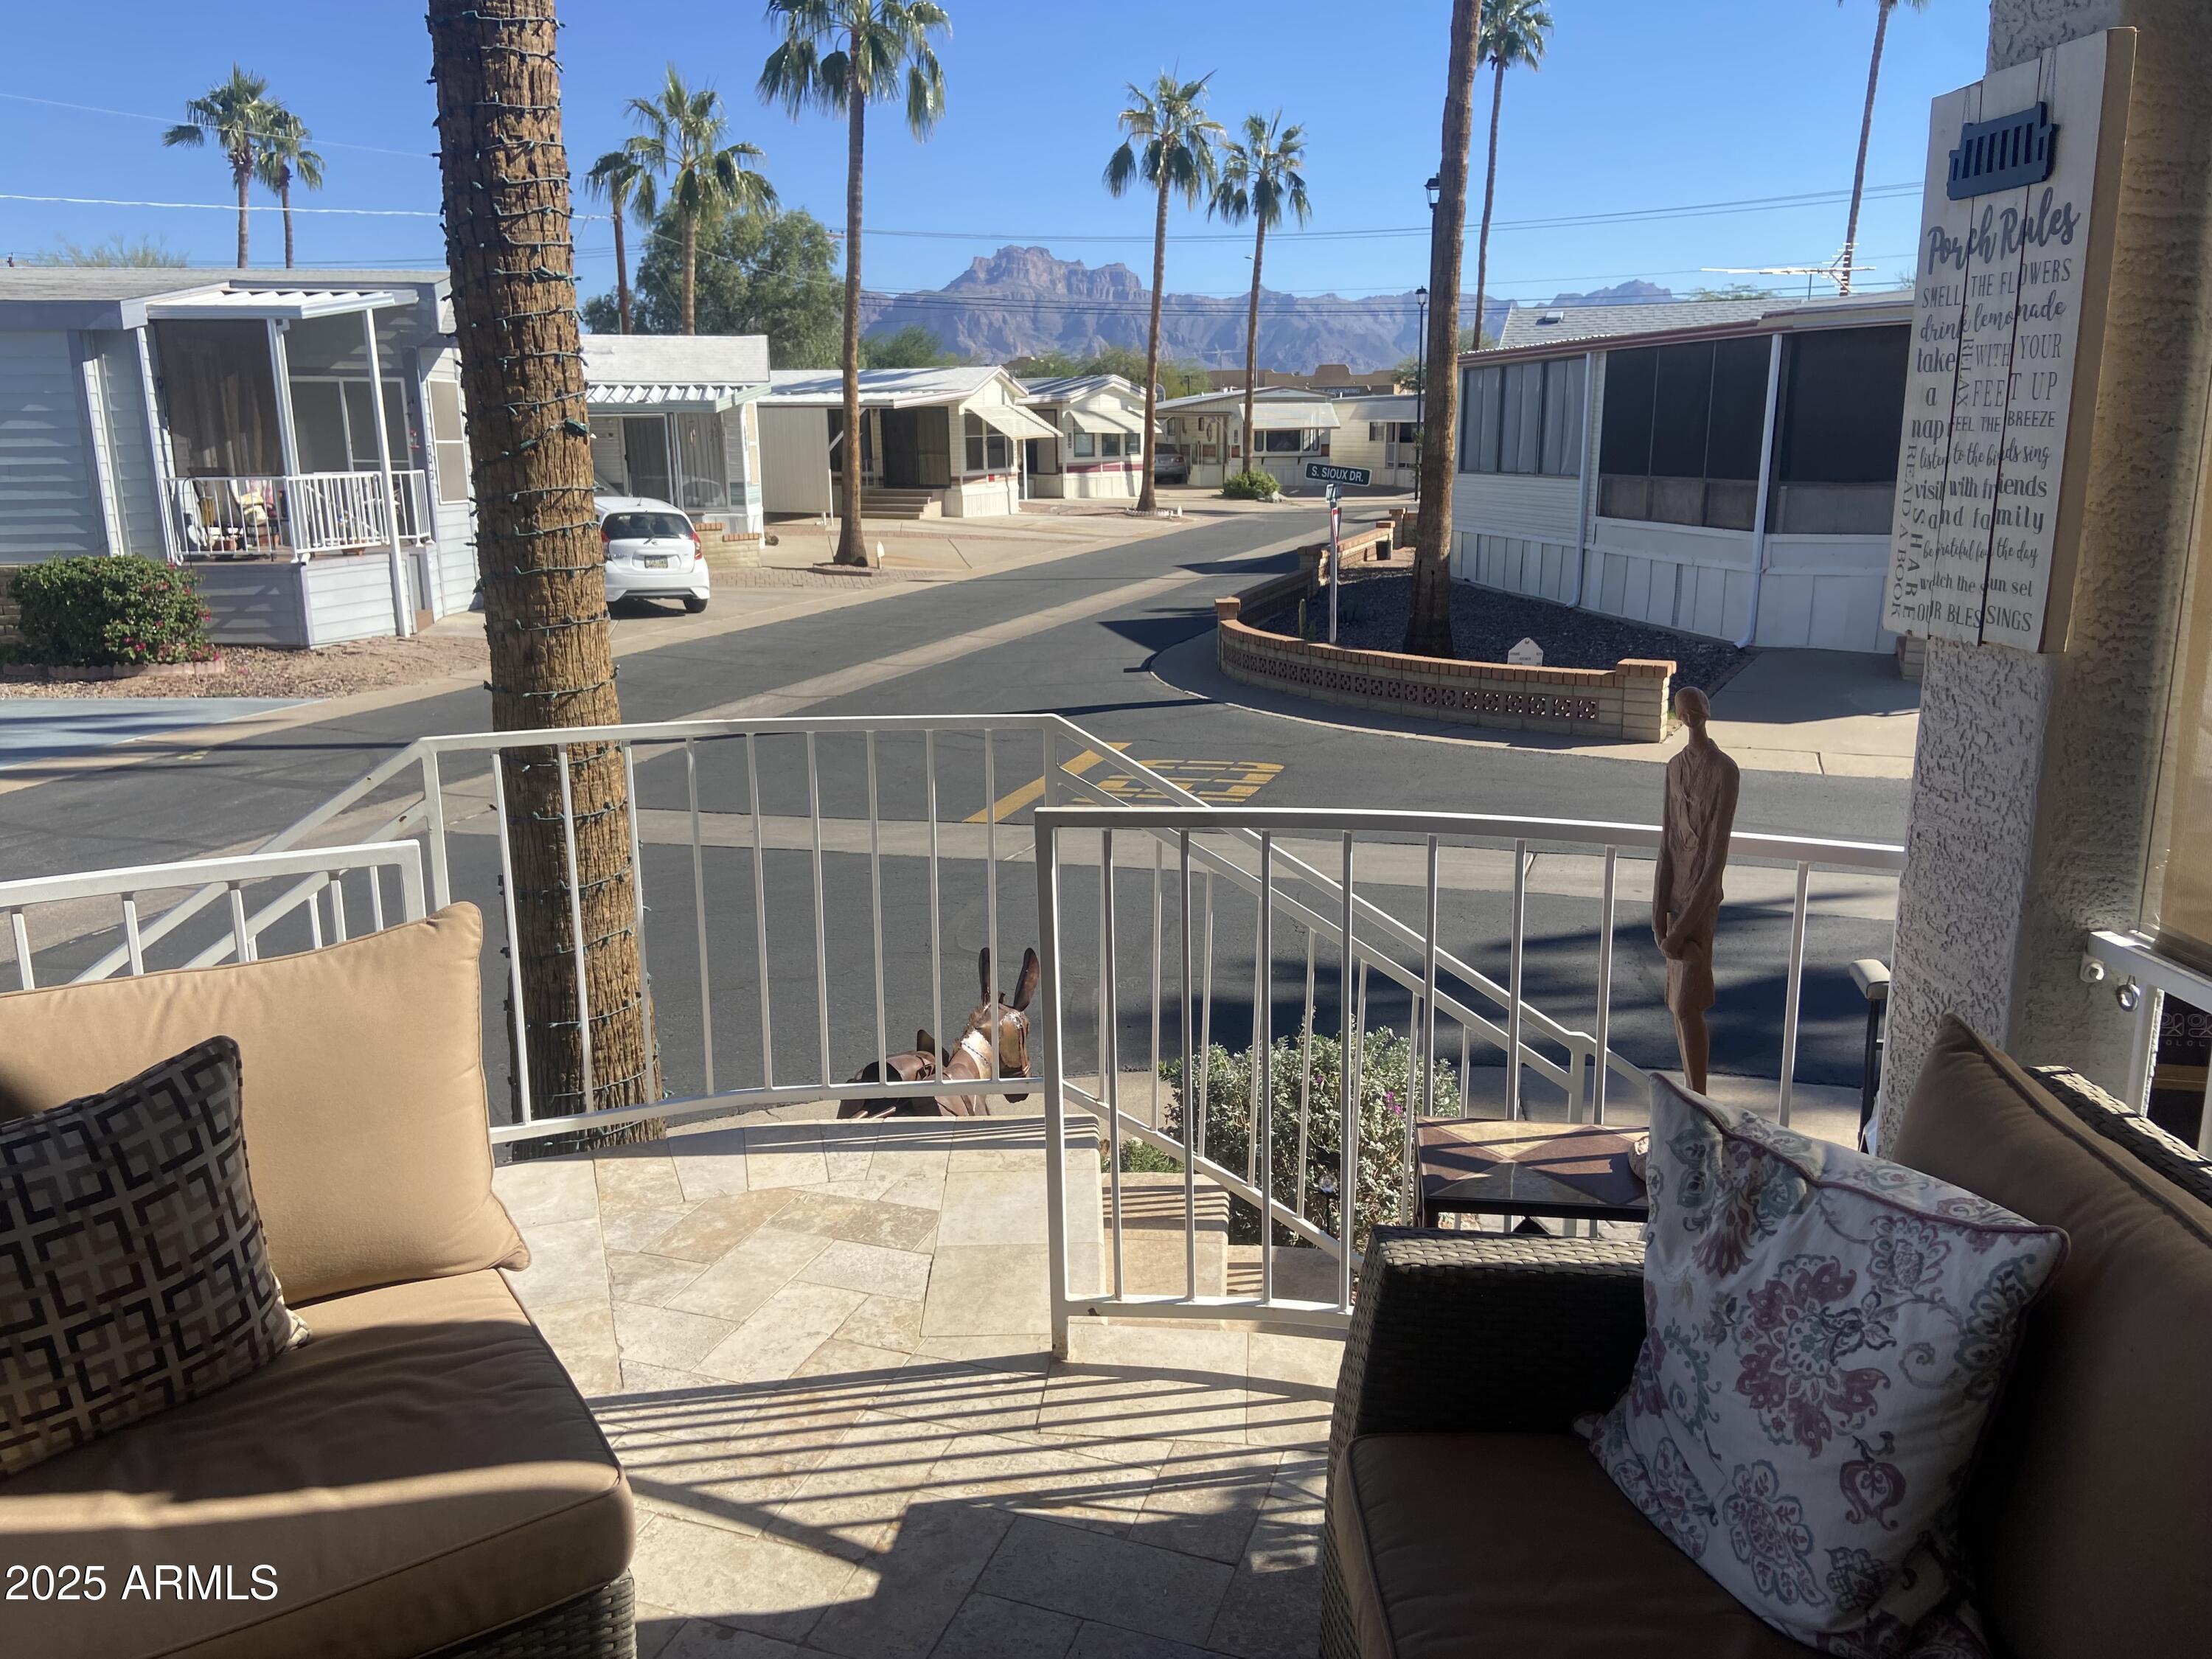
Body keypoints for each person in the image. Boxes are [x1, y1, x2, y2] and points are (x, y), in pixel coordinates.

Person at [1652, 686, 1739, 1092]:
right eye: (1682, 711)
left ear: (1707, 710)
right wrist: (1658, 919)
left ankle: (1698, 1098)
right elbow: (1667, 842)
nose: (1689, 716)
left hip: (1699, 906)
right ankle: (1692, 1096)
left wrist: (1683, 927)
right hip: (1674, 902)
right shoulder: (1673, 767)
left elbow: (1715, 858)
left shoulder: (1724, 770)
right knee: (1677, 1005)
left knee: (1688, 1005)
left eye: (1695, 708)